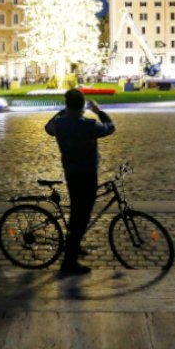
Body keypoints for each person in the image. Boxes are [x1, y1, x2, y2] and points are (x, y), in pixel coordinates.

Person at [45, 89, 116, 275]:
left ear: (67, 105)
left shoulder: (60, 124)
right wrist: (99, 111)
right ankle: (69, 262)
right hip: (88, 174)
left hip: (71, 173)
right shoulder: (88, 125)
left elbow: (48, 127)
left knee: (77, 213)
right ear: (83, 105)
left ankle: (73, 247)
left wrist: (63, 112)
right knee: (82, 216)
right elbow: (110, 127)